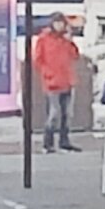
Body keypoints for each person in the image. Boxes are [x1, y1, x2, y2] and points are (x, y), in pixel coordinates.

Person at [33, 13, 82, 153]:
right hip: (52, 82)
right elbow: (38, 59)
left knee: (67, 113)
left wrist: (70, 41)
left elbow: (75, 55)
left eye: (62, 23)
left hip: (67, 80)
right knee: (54, 113)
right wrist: (47, 73)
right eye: (57, 23)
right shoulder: (44, 39)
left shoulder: (65, 40)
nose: (60, 26)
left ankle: (64, 142)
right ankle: (47, 143)